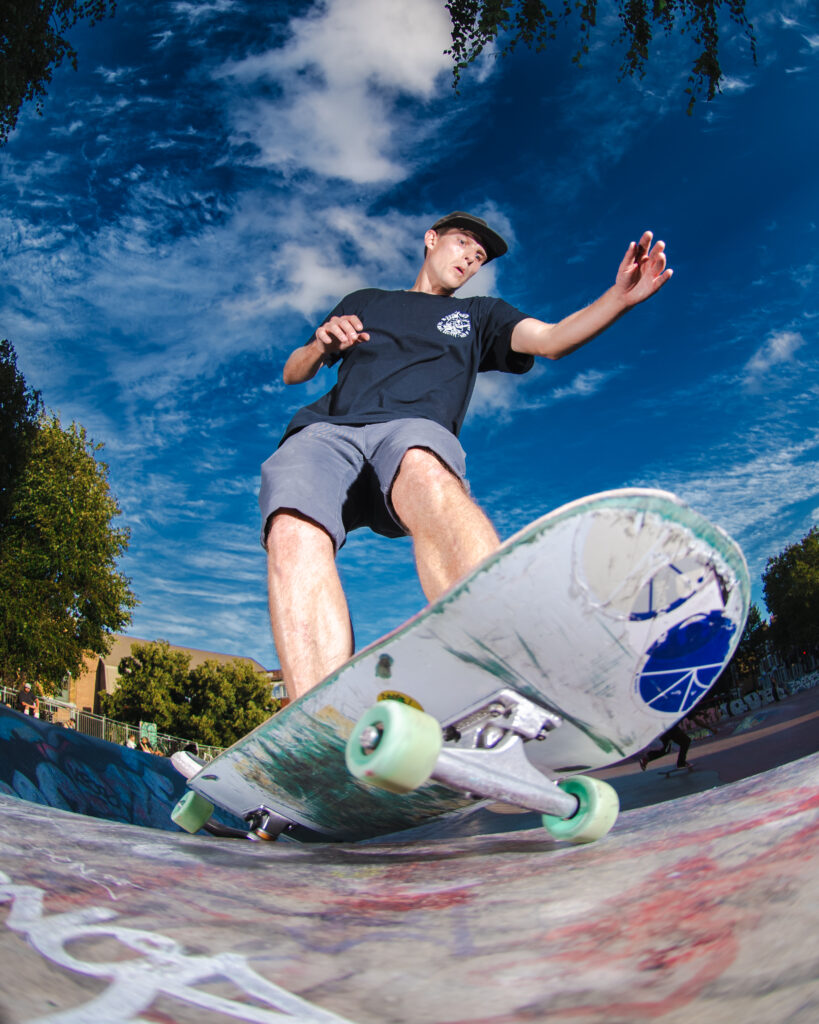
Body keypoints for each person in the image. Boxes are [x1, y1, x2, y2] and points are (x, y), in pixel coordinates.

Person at [261, 211, 672, 701]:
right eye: (462, 245)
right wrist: (323, 343)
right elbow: (294, 370)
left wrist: (618, 299)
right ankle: (317, 715)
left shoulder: (481, 315)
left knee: (424, 469)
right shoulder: (365, 301)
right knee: (291, 525)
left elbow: (551, 340)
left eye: (478, 258)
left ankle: (502, 668)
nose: (470, 260)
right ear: (432, 240)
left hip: (411, 429)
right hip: (329, 431)